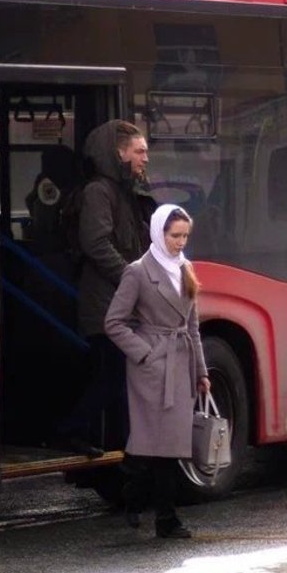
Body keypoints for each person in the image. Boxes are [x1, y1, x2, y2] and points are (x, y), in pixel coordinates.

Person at [104, 204, 211, 539]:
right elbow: (114, 322)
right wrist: (145, 354)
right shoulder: (138, 272)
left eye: (184, 236)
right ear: (158, 233)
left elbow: (192, 327)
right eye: (174, 235)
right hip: (151, 369)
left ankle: (158, 513)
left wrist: (202, 372)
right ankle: (146, 505)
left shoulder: (186, 268)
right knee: (153, 445)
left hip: (180, 365)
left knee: (171, 446)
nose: (180, 242)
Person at [57, 119, 156, 457]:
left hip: (119, 304)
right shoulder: (99, 191)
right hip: (106, 305)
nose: (145, 158)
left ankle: (118, 444)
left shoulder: (126, 192)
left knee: (114, 376)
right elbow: (96, 244)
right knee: (111, 375)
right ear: (119, 153)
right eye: (139, 151)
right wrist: (135, 279)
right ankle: (74, 430)